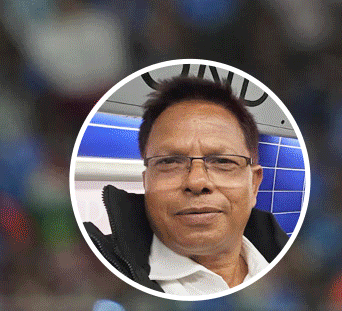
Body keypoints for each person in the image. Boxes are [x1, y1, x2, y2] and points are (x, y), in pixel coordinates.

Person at [85, 76, 288, 296]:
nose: (197, 182)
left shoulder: (292, 272)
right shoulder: (95, 271)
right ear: (146, 182)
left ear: (254, 184)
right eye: (170, 162)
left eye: (222, 162)